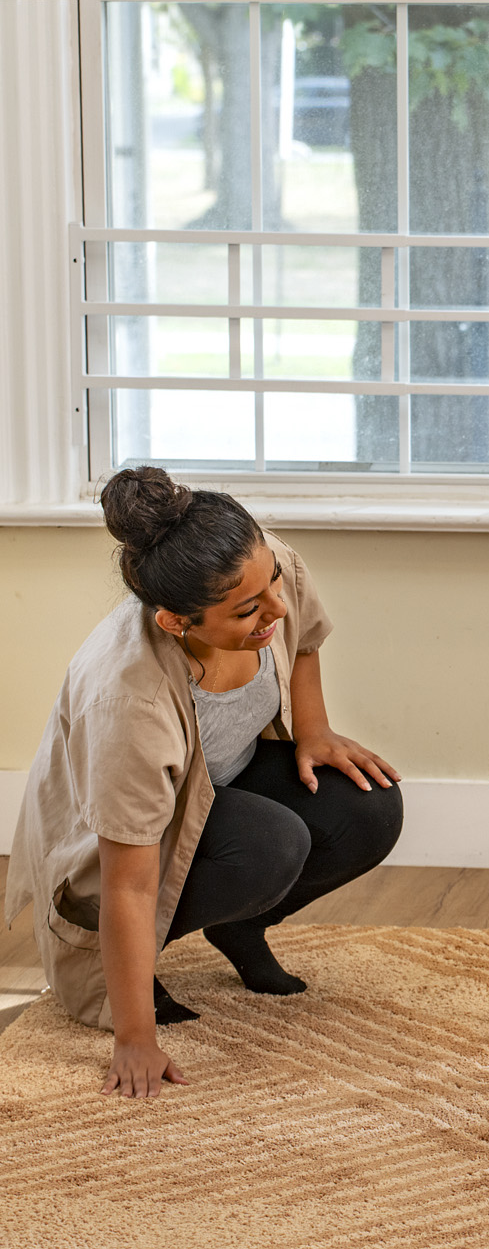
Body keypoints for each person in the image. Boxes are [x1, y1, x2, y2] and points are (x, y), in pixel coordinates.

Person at [5, 466, 405, 1098]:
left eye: (273, 583)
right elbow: (129, 884)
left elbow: (303, 636)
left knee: (367, 807)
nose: (276, 607)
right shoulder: (128, 701)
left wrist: (314, 729)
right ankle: (126, 973)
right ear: (175, 622)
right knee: (269, 847)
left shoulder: (258, 567)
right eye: (248, 610)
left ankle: (240, 925)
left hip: (216, 785)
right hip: (116, 852)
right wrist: (134, 1036)